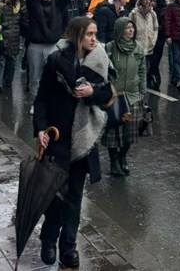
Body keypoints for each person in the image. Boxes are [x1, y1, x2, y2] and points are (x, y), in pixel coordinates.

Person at [34, 17, 114, 269]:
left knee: (75, 197)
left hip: (83, 140)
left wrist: (93, 93)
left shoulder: (100, 60)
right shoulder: (57, 59)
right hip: (58, 137)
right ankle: (48, 240)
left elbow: (108, 94)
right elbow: (42, 98)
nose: (94, 39)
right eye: (89, 34)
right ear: (76, 35)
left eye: (95, 33)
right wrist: (39, 129)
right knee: (55, 195)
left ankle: (68, 247)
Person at [103, 17, 147, 177]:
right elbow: (105, 71)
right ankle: (114, 161)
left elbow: (142, 70)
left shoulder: (139, 48)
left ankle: (122, 157)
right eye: (127, 28)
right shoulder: (110, 47)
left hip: (133, 96)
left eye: (132, 28)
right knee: (114, 133)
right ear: (120, 30)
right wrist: (108, 91)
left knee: (130, 133)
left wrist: (142, 90)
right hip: (115, 97)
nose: (130, 31)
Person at [24, 0, 75, 114]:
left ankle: (49, 102)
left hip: (52, 46)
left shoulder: (57, 4)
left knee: (53, 76)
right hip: (35, 46)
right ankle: (35, 102)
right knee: (34, 76)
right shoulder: (34, 5)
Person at [128, 0, 158, 90]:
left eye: (149, 0)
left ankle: (142, 92)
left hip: (149, 47)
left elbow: (155, 28)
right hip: (137, 46)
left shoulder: (153, 14)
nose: (147, 2)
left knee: (145, 69)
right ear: (140, 1)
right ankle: (134, 90)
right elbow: (128, 28)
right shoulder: (134, 13)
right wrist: (132, 42)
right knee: (135, 70)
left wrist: (153, 41)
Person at [1, 0, 26, 88]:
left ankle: (8, 80)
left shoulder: (24, 8)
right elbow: (4, 19)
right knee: (5, 58)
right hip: (7, 35)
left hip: (16, 36)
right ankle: (3, 79)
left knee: (12, 59)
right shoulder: (7, 7)